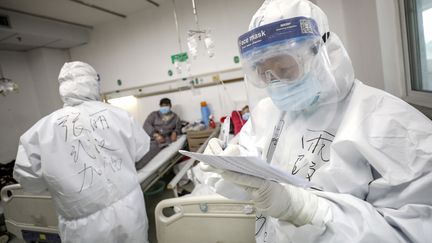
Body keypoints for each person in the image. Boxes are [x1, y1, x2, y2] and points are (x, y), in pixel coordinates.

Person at [200, 0, 432, 242]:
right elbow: (250, 172)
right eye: (264, 73)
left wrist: (309, 211)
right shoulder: (268, 113)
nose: (276, 83)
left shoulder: (389, 122)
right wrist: (226, 167)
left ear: (323, 53)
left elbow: (416, 230)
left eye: (285, 68)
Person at [13, 61, 151, 243]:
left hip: (84, 228)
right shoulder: (120, 115)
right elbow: (141, 150)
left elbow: (29, 182)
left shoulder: (40, 132)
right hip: (130, 210)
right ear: (94, 83)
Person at [136, 97, 182, 170]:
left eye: (166, 106)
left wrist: (175, 132)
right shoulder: (154, 115)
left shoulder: (175, 117)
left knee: (149, 152)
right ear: (160, 106)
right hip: (151, 137)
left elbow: (178, 127)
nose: (164, 108)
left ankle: (137, 167)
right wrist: (155, 134)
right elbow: (146, 125)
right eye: (162, 106)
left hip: (162, 140)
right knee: (137, 149)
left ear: (170, 106)